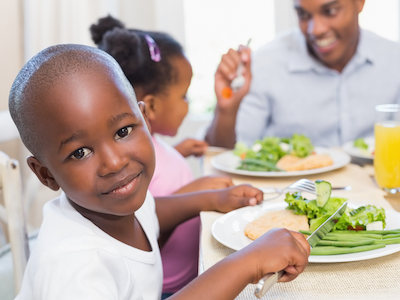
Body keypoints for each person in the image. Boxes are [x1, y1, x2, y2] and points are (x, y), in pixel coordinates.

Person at [9, 44, 310, 299]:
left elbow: (155, 211)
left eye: (123, 130)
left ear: (145, 120)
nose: (114, 163)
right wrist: (247, 263)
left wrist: (212, 199)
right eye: (80, 153)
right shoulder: (73, 268)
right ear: (46, 174)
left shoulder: (112, 207)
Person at [89, 15, 235, 298]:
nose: (187, 105)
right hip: (171, 290)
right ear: (151, 107)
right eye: (184, 96)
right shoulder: (122, 169)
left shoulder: (146, 147)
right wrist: (196, 194)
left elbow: (156, 179)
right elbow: (141, 227)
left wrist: (176, 153)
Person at [205, 0, 400, 149]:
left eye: (330, 11)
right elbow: (224, 155)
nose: (316, 30)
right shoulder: (264, 63)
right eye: (303, 15)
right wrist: (226, 111)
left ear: (360, 2)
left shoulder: (394, 59)